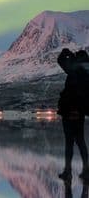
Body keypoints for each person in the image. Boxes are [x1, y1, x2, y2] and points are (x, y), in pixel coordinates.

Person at [57, 48, 89, 181]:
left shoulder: (75, 71)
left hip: (70, 112)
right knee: (81, 141)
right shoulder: (86, 74)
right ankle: (86, 171)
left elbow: (60, 60)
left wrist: (67, 53)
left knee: (69, 143)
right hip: (79, 113)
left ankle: (68, 171)